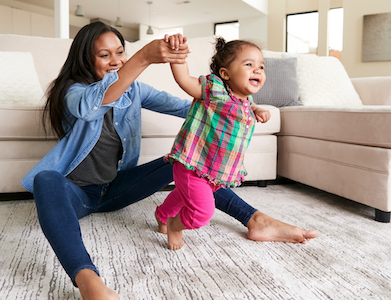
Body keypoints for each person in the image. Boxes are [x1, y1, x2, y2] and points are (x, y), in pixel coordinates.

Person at [21, 21, 317, 300]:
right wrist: (144, 58)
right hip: (76, 194)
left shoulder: (134, 90)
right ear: (86, 60)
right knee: (45, 178)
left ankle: (256, 220)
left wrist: (238, 106)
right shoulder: (73, 92)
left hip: (115, 189)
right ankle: (88, 281)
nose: (116, 60)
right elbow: (91, 106)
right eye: (104, 54)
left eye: (120, 52)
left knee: (182, 161)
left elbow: (186, 106)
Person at [155, 37, 271, 250]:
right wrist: (177, 54)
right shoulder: (215, 90)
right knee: (201, 213)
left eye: (261, 66)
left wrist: (258, 110)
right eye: (249, 64)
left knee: (183, 195)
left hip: (217, 171)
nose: (257, 70)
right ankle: (174, 223)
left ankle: (163, 214)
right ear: (225, 74)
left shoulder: (246, 101)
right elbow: (184, 79)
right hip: (194, 164)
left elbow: (251, 105)